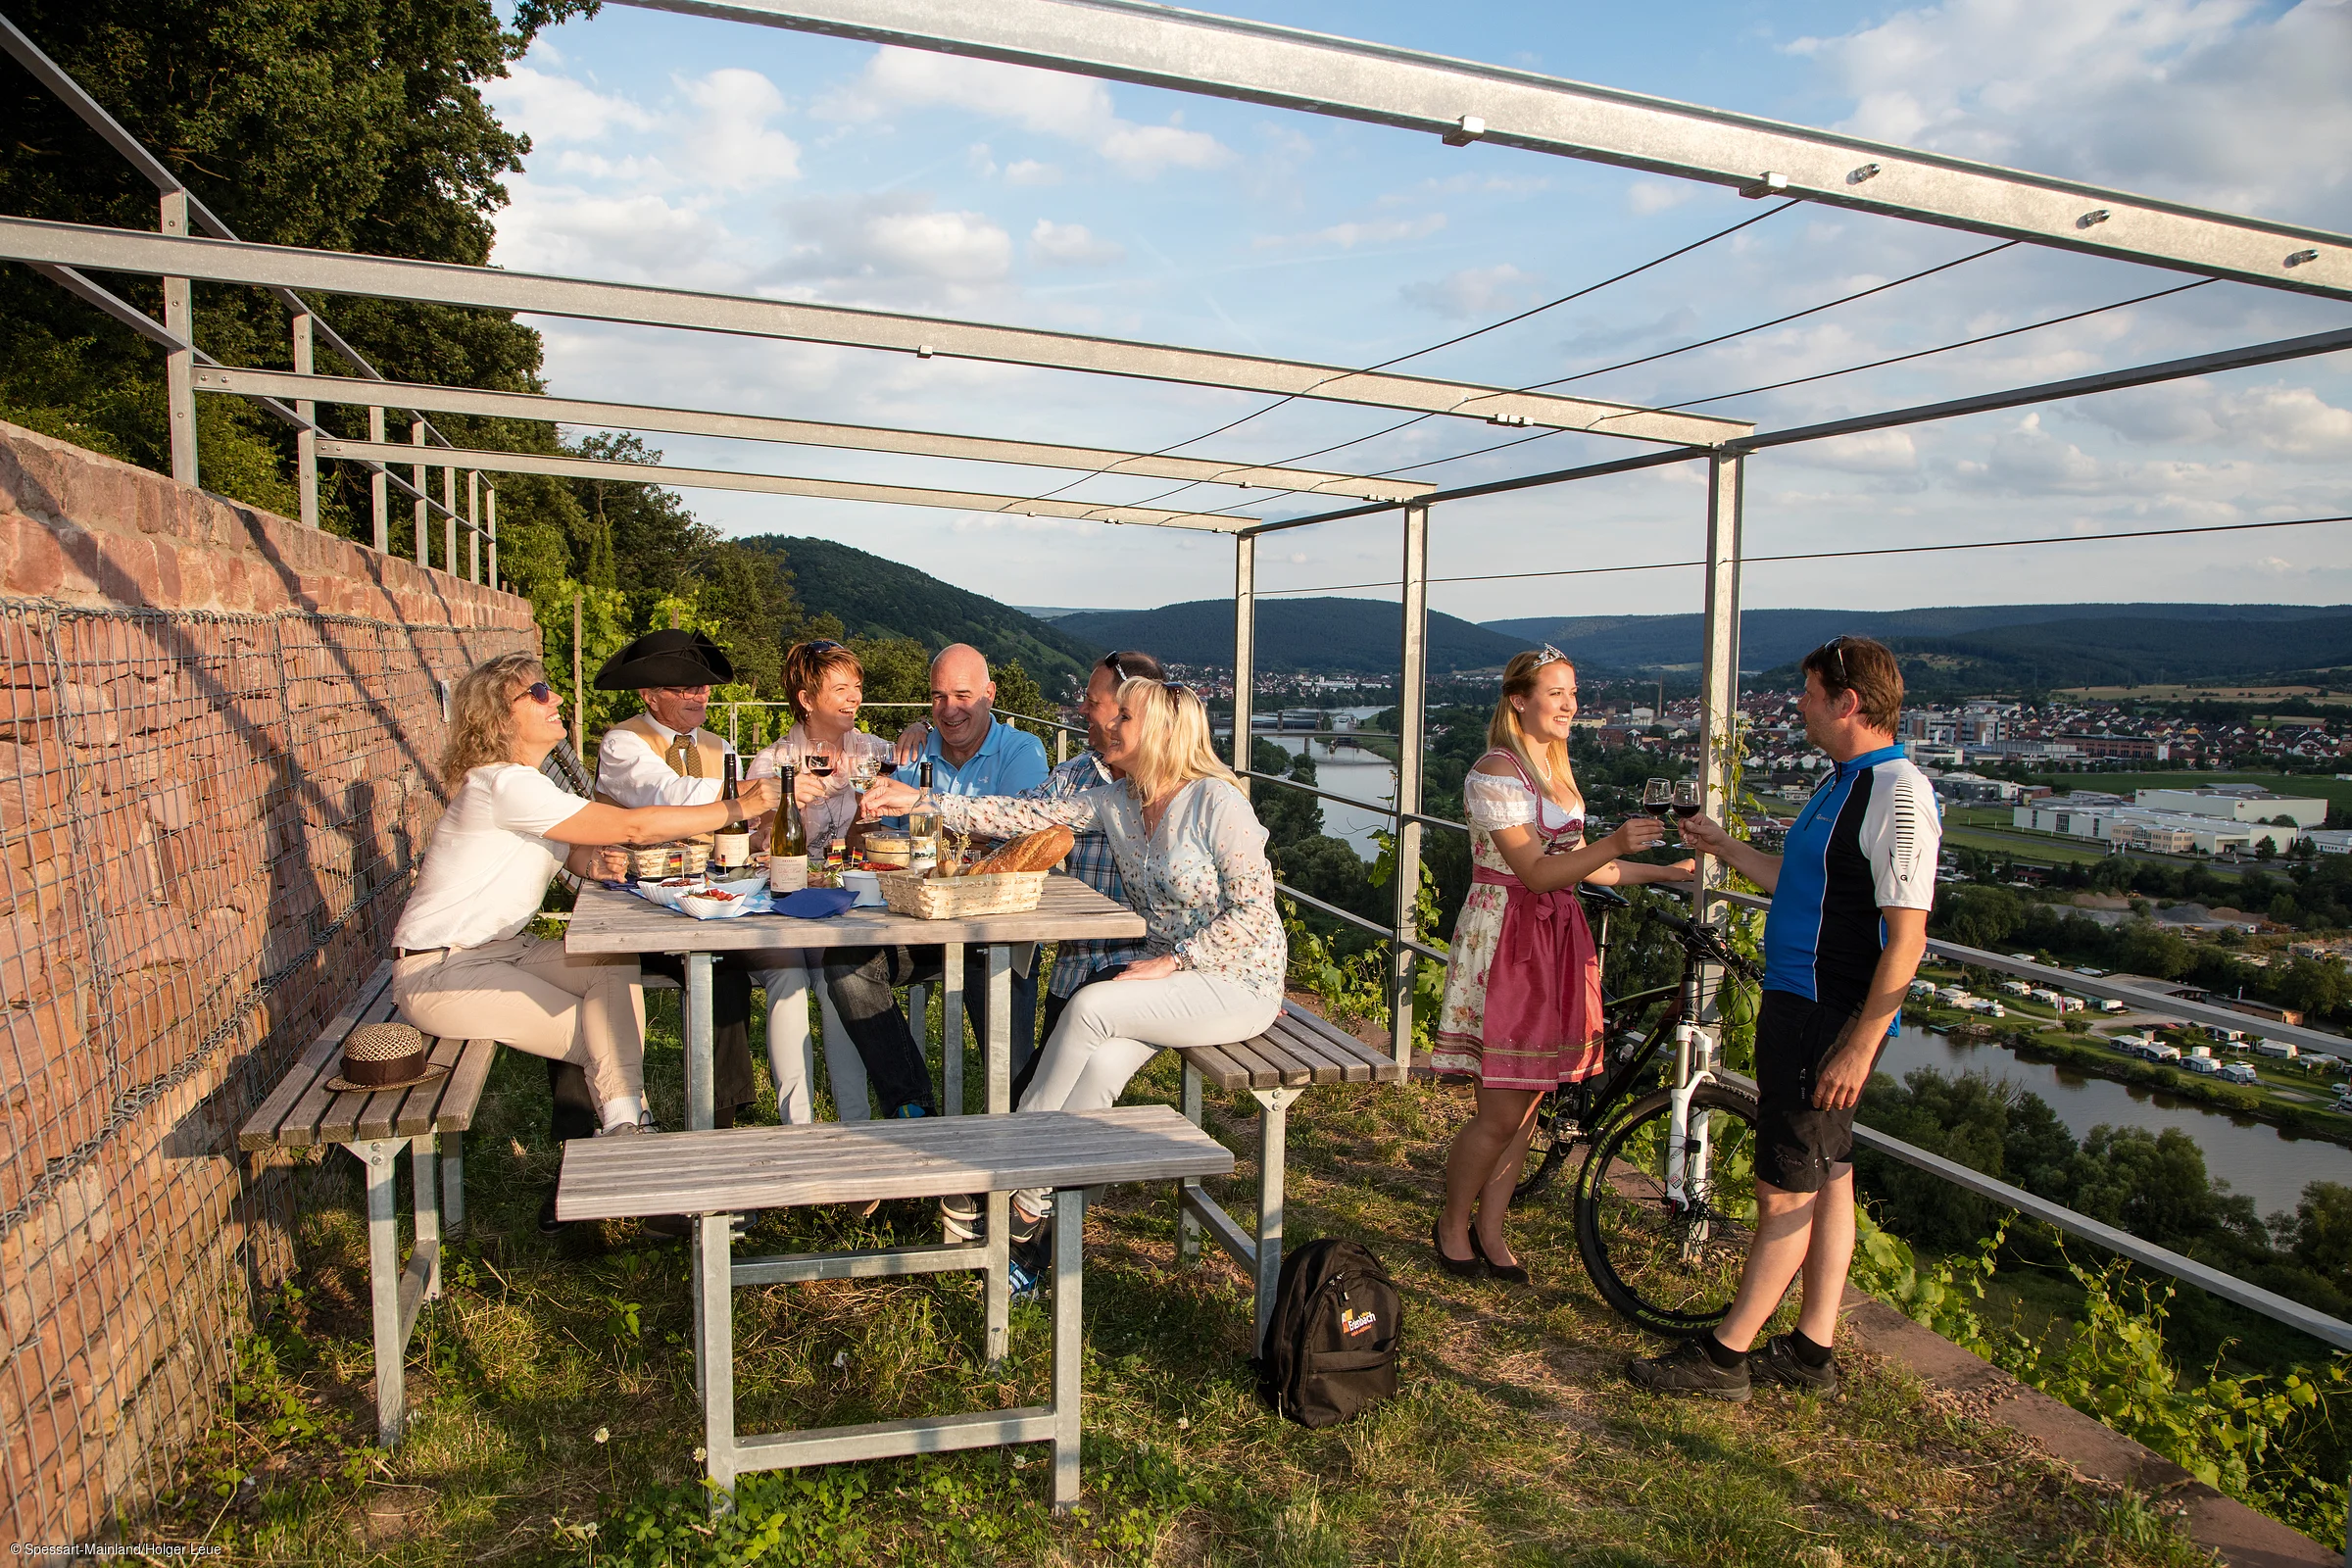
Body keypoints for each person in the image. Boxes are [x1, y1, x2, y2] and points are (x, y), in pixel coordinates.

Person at [860, 677, 1285, 1269]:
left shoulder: (1217, 802)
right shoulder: (1118, 802)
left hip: (1236, 979)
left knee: (1091, 1005)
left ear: (1159, 733)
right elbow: (1023, 814)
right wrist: (921, 802)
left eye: (1124, 718)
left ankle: (1002, 1165)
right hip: (1162, 980)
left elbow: (1254, 913)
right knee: (1104, 1064)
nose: (1107, 725)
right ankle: (1028, 1218)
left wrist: (1176, 960)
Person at [1627, 636, 1938, 1399]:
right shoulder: (1844, 783)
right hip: (1798, 999)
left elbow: (1908, 938)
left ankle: (1725, 1358)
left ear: (1848, 702)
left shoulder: (1895, 794)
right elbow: (1799, 886)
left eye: (1806, 692)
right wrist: (1722, 846)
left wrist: (1860, 1043)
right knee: (1829, 1177)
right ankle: (1810, 1351)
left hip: (1826, 1014)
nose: (1796, 704)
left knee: (1784, 1191)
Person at [390, 652, 779, 1151]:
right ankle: (631, 1133)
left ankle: (625, 1125)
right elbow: (633, 824)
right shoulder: (505, 783)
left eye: (548, 688)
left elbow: (553, 844)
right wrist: (739, 806)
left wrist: (587, 863)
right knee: (607, 1043)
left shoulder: (523, 783)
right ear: (498, 714)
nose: (555, 699)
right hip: (439, 972)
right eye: (536, 693)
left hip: (502, 950)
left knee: (611, 960)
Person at [1430, 649, 1694, 1283]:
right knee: (1497, 1113)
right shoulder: (1494, 773)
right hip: (1506, 941)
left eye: (1574, 692)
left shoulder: (1554, 770)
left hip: (1551, 941)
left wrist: (1663, 872)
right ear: (1519, 699)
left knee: (1529, 1107)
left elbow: (1591, 868)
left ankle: (1491, 1230)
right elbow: (1536, 870)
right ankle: (1450, 1221)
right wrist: (1611, 841)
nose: (1570, 704)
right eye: (1556, 692)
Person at [549, 629, 763, 1157]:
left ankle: (718, 1133)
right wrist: (752, 797)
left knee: (726, 977)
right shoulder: (623, 743)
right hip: (625, 898)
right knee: (591, 979)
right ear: (648, 695)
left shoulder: (720, 747)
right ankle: (581, 1148)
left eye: (704, 687)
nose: (699, 697)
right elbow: (665, 795)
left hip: (698, 900)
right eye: (683, 687)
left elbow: (742, 834)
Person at [821, 644, 1050, 1118]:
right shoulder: (915, 750)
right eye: (938, 697)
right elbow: (878, 840)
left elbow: (1017, 836)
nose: (949, 710)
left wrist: (924, 811)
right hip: (918, 925)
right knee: (847, 963)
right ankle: (912, 1106)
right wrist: (867, 818)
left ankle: (1013, 1145)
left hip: (992, 931)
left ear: (990, 694)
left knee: (1011, 1064)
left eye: (962, 695)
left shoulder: (1020, 750)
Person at [740, 639, 888, 1121]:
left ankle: (856, 1123)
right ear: (806, 699)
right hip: (781, 900)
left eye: (857, 687)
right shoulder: (774, 763)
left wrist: (917, 726)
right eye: (840, 688)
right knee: (788, 979)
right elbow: (759, 845)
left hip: (845, 900)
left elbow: (919, 757)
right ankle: (798, 1127)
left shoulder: (869, 752)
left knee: (837, 980)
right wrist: (790, 808)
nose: (854, 698)